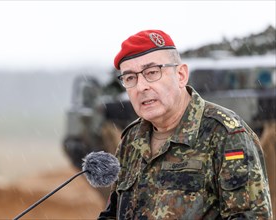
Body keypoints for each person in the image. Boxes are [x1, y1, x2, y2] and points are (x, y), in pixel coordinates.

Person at [98, 30, 272, 219]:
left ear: (181, 75)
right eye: (130, 78)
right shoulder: (131, 140)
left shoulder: (227, 135)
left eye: (152, 73)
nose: (141, 87)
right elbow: (112, 214)